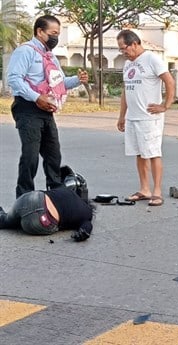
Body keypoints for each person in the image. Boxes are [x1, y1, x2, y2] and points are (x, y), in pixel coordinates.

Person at [7, 15, 89, 199]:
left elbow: (58, 83)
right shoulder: (25, 51)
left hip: (46, 110)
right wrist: (37, 98)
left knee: (53, 154)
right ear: (40, 32)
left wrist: (77, 80)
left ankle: (57, 194)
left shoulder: (50, 56)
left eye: (58, 34)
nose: (56, 37)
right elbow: (14, 79)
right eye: (53, 33)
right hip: (27, 108)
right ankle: (24, 196)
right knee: (31, 155)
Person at [116, 30, 176, 207]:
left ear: (134, 43)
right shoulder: (128, 65)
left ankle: (156, 192)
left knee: (153, 153)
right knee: (139, 153)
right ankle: (144, 189)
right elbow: (126, 91)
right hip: (133, 117)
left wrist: (165, 106)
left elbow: (170, 81)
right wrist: (122, 116)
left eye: (123, 48)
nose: (123, 52)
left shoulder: (152, 59)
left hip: (150, 117)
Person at [0, 183, 95, 242]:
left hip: (31, 198)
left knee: (6, 220)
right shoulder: (87, 213)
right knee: (22, 223)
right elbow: (87, 227)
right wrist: (82, 234)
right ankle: (17, 221)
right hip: (42, 221)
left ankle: (5, 218)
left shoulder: (67, 191)